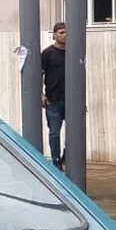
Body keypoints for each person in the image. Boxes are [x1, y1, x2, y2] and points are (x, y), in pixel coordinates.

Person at [40, 23, 66, 169]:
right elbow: (40, 74)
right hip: (53, 99)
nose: (64, 35)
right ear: (55, 34)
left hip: (70, 98)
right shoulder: (47, 53)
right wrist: (41, 94)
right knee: (54, 132)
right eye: (61, 32)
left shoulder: (73, 51)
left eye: (66, 32)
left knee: (75, 132)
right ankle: (56, 161)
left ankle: (66, 156)